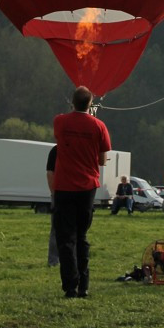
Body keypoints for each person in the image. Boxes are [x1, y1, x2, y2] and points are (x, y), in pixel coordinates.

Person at [53, 85, 111, 299]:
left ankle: (70, 285)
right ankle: (84, 285)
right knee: (81, 236)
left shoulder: (60, 122)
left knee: (65, 238)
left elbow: (61, 126)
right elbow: (102, 160)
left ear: (72, 102)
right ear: (90, 104)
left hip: (64, 186)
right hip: (87, 187)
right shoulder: (99, 126)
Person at [46, 145, 59, 267]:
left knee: (56, 229)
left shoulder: (56, 150)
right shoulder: (56, 150)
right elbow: (50, 173)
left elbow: (50, 173)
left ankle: (53, 261)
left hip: (59, 193)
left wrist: (53, 193)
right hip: (78, 193)